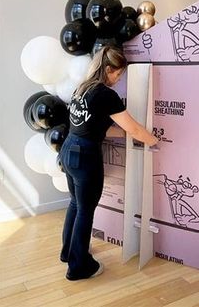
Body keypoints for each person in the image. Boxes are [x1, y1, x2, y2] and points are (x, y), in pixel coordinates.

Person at [59, 46, 158, 281]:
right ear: (108, 69)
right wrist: (153, 139)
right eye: (118, 74)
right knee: (85, 210)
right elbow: (133, 127)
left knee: (75, 204)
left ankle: (68, 252)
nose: (119, 80)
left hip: (69, 150)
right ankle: (79, 267)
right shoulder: (105, 94)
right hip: (85, 156)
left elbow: (92, 127)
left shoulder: (82, 88)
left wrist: (126, 134)